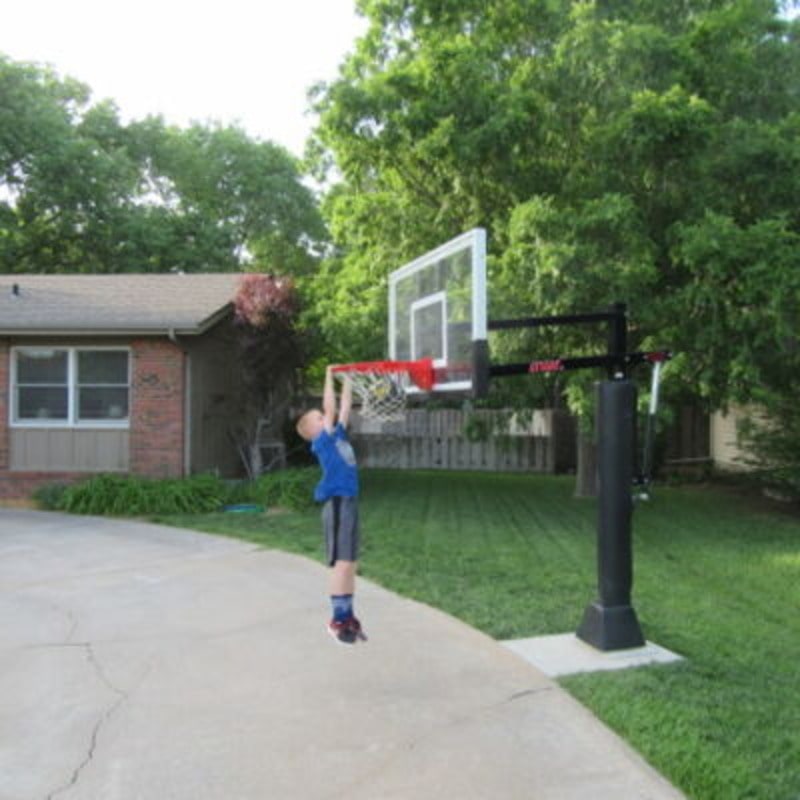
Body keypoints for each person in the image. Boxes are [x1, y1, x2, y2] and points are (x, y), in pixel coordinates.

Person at [295, 366, 366, 645]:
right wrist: (329, 373)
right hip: (336, 504)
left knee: (350, 564)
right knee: (340, 564)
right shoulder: (322, 442)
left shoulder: (337, 436)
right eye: (319, 417)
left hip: (349, 502)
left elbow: (344, 406)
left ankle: (348, 616)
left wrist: (348, 376)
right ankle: (336, 620)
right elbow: (331, 406)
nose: (325, 416)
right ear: (313, 430)